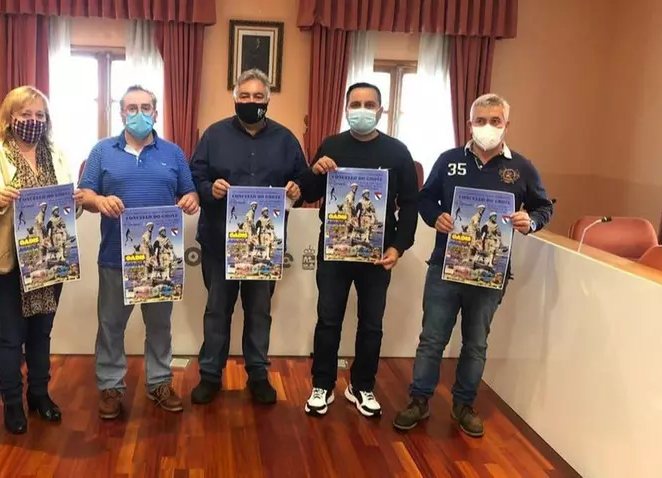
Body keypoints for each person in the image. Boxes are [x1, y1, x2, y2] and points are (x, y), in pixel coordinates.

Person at [392, 93, 553, 437]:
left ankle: (463, 405)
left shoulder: (521, 168)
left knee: (476, 343)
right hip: (445, 267)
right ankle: (419, 400)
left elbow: (543, 207)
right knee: (432, 339)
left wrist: (531, 221)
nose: (487, 127)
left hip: (490, 271)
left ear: (506, 125)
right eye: (480, 121)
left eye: (495, 121)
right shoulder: (449, 160)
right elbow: (425, 197)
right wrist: (436, 216)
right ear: (470, 124)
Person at [0, 85, 79, 434]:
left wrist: (76, 203)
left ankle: (39, 394)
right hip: (8, 263)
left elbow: (67, 208)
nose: (33, 121)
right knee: (11, 335)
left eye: (40, 115)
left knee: (42, 332)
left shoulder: (57, 156)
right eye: (25, 114)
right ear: (10, 118)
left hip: (50, 260)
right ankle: (12, 402)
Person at [78, 85, 199, 420]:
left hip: (161, 261)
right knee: (111, 326)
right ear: (122, 113)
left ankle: (159, 382)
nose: (139, 114)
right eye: (132, 108)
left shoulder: (173, 153)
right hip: (115, 257)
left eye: (146, 108)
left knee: (159, 326)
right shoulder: (102, 151)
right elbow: (84, 195)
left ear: (156, 113)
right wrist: (99, 200)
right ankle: (111, 387)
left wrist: (191, 201)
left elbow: (190, 193)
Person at [300, 82, 419, 417]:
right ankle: (322, 384)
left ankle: (362, 386)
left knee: (371, 323)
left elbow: (410, 203)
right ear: (346, 109)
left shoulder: (397, 152)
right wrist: (315, 170)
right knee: (328, 319)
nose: (362, 110)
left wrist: (398, 246)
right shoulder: (332, 145)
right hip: (335, 249)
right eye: (355, 104)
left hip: (376, 253)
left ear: (380, 110)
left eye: (369, 104)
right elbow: (309, 194)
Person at [189, 68, 308, 404]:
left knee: (259, 312)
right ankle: (210, 374)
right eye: (244, 96)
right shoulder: (213, 135)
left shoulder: (286, 139)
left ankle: (257, 374)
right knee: (217, 311)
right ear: (235, 98)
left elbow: (304, 181)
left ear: (267, 100)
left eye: (258, 96)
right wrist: (209, 188)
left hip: (264, 247)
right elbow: (193, 177)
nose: (251, 101)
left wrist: (298, 188)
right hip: (219, 242)